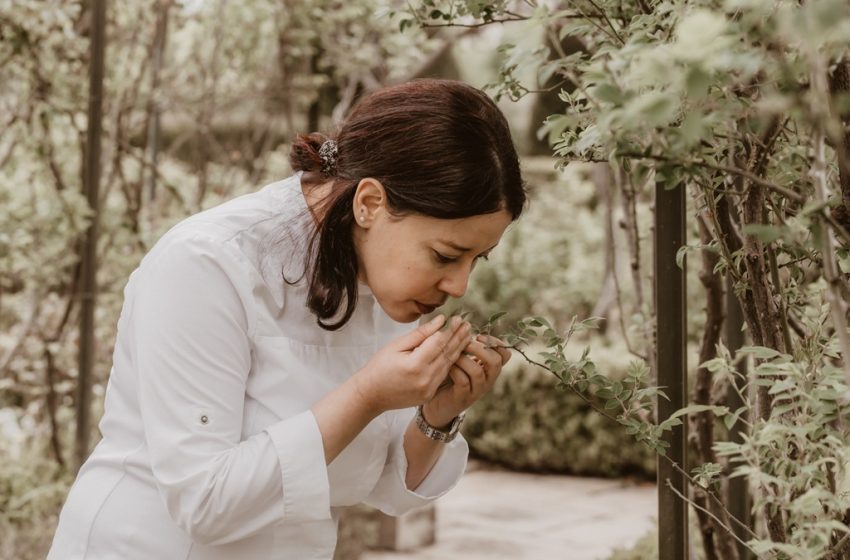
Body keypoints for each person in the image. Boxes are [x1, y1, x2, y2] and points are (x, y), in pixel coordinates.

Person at [47, 78, 527, 559]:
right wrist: (366, 395)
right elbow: (205, 504)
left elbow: (385, 489)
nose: (459, 286)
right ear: (369, 204)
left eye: (476, 259)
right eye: (445, 255)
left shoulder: (386, 278)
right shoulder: (207, 264)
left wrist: (435, 416)